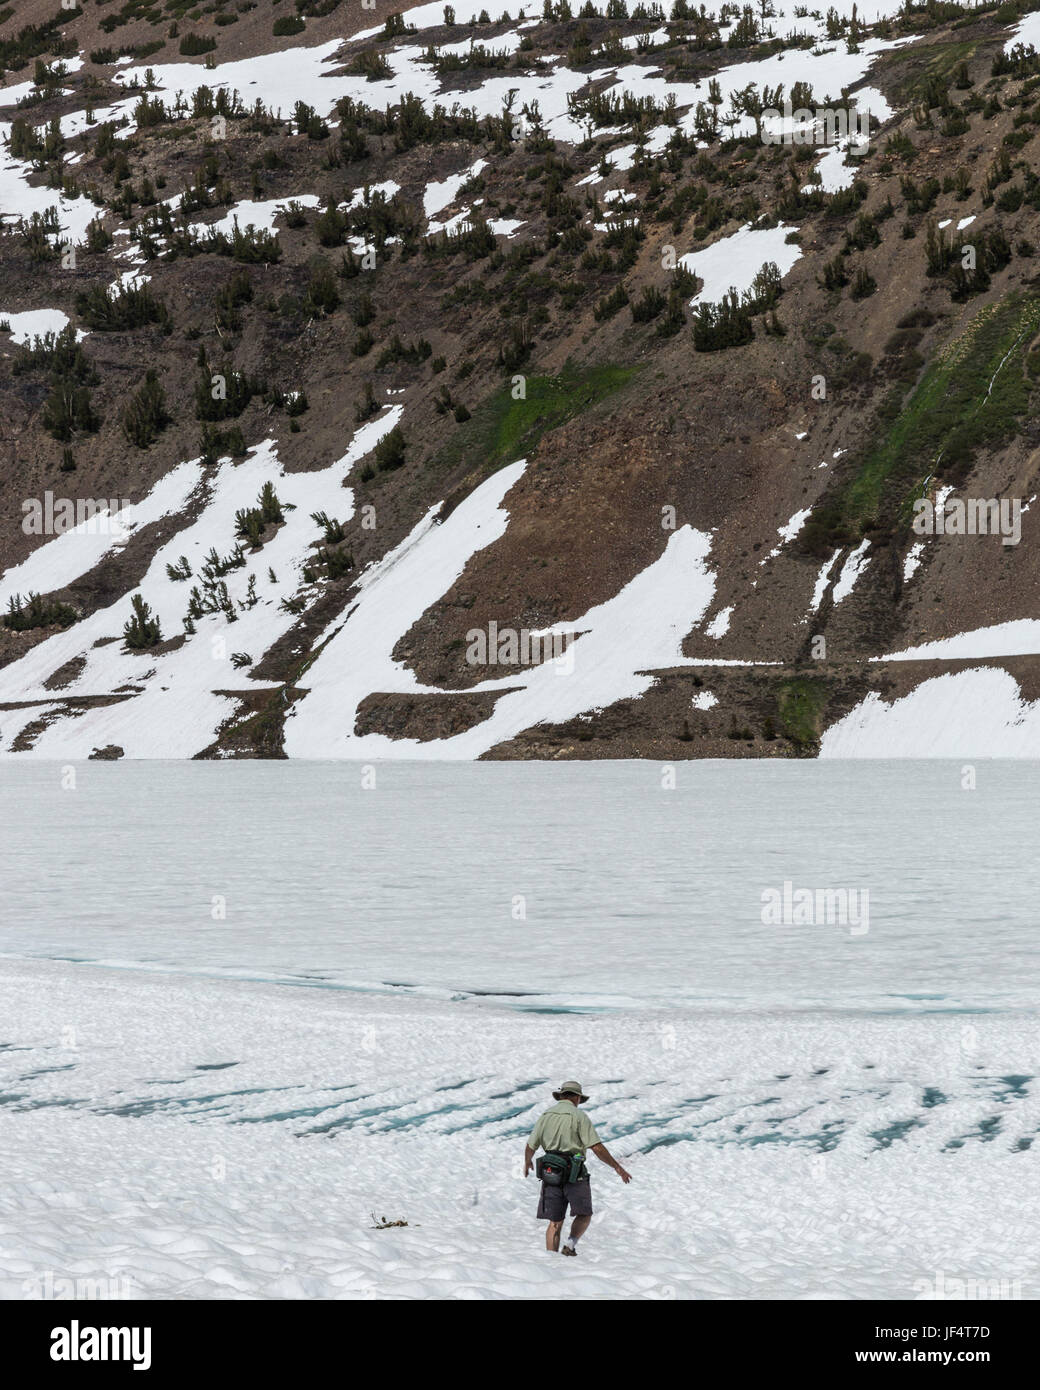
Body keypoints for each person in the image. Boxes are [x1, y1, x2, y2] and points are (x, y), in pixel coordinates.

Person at [524, 1080, 631, 1255]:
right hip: (575, 1174)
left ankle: (551, 1263)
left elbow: (530, 1146)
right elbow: (596, 1147)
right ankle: (570, 1245)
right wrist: (617, 1168)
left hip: (551, 1173)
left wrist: (527, 1161)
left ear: (561, 1096)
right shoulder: (579, 1117)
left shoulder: (545, 1115)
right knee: (584, 1213)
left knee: (555, 1222)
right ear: (577, 1097)